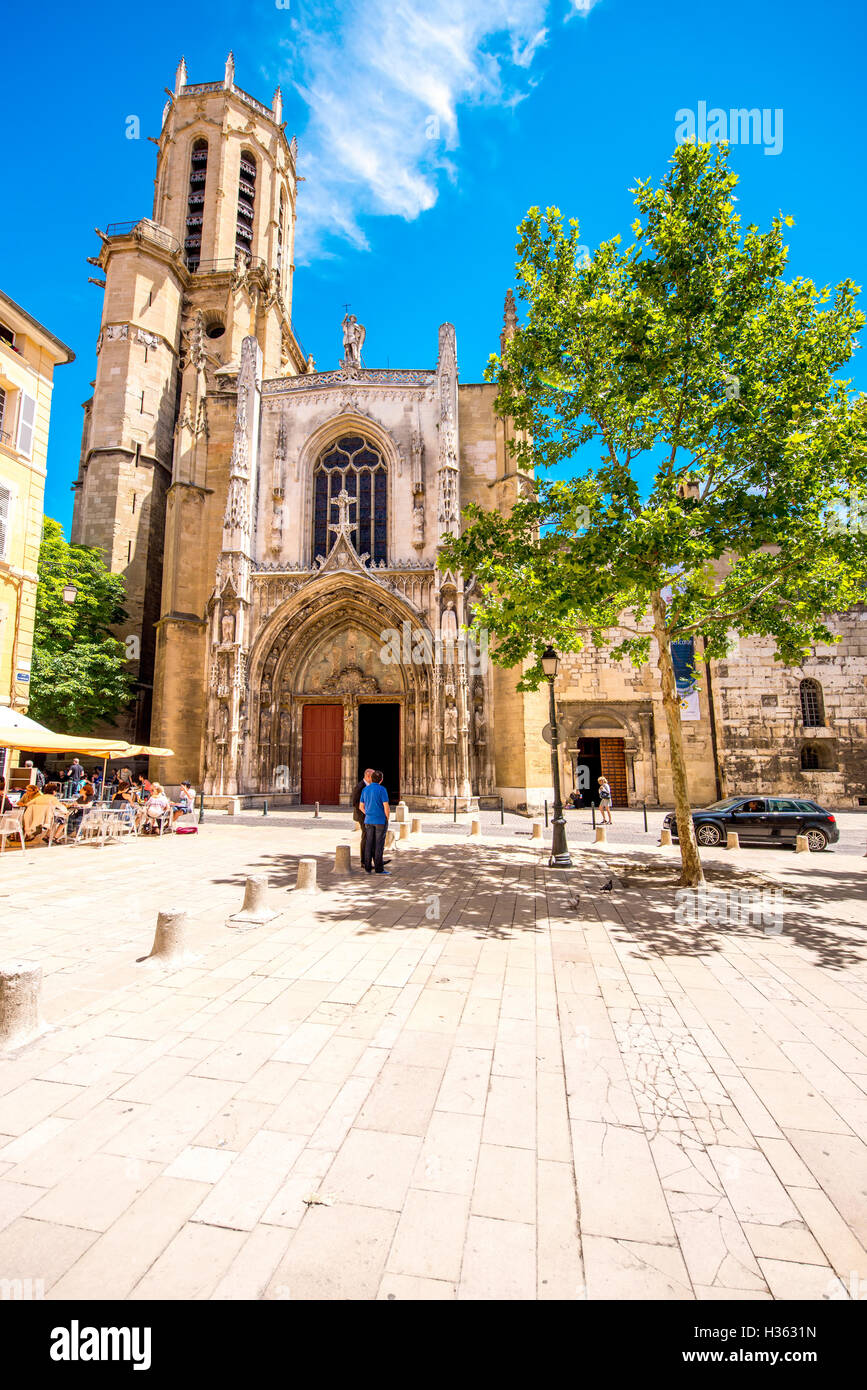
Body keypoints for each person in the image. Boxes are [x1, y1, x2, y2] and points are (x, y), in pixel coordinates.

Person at [360, 770, 390, 874]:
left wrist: (368, 813)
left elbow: (361, 806)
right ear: (381, 780)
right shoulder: (382, 789)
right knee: (379, 844)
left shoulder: (365, 789)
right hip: (380, 820)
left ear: (371, 779)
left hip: (368, 820)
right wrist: (387, 817)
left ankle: (367, 867)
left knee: (369, 843)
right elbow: (386, 806)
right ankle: (379, 868)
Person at [351, 768, 374, 864]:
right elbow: (355, 802)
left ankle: (375, 860)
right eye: (373, 777)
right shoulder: (360, 786)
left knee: (371, 837)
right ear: (368, 776)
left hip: (368, 816)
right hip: (363, 817)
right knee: (366, 837)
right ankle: (364, 862)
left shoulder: (368, 786)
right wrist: (366, 812)